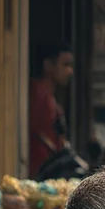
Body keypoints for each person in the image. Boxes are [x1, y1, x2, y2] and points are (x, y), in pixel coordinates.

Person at [30, 44, 74, 174]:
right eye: (65, 65)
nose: (70, 71)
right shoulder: (37, 94)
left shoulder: (50, 96)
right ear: (48, 65)